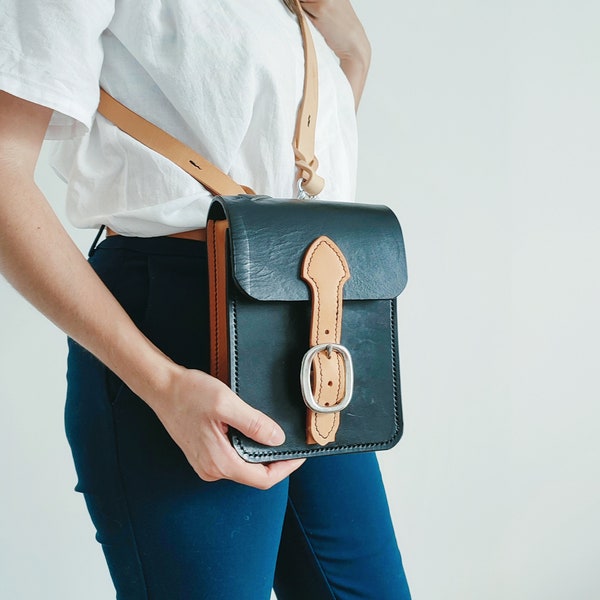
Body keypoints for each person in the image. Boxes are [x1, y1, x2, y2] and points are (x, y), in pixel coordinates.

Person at [0, 0, 411, 598]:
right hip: (169, 331)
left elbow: (276, 166)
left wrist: (351, 55)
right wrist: (164, 385)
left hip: (310, 321)